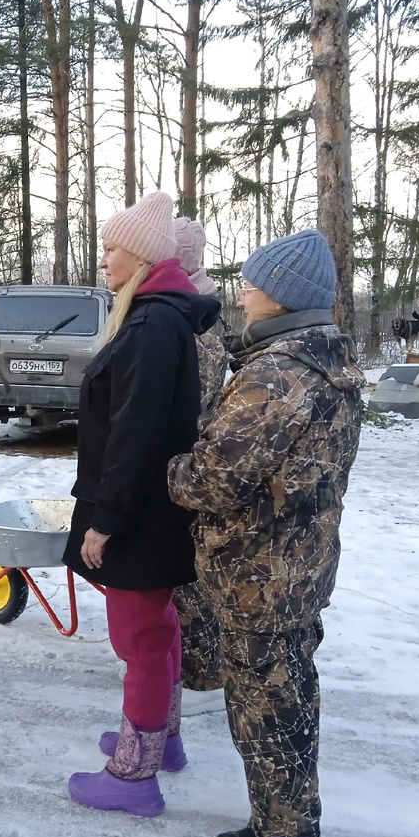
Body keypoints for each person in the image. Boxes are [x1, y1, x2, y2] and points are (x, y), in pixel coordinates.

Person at [166, 229, 364, 837]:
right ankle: (275, 828)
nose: (242, 297)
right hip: (295, 571)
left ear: (281, 296)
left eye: (252, 287)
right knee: (283, 714)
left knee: (269, 722)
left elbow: (213, 480)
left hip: (260, 579)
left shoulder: (277, 376)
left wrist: (166, 467)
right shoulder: (326, 361)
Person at [62, 191, 222, 817]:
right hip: (151, 507)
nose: (102, 259)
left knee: (141, 639)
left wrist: (107, 520)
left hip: (138, 512)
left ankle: (133, 777)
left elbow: (135, 433)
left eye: (111, 249)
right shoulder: (156, 316)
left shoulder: (153, 324)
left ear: (142, 257)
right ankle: (160, 740)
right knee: (159, 627)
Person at [171, 216, 230, 710]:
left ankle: (203, 675)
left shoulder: (195, 320)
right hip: (190, 456)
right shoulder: (195, 304)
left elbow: (192, 402)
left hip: (190, 461)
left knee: (187, 574)